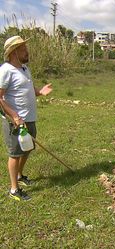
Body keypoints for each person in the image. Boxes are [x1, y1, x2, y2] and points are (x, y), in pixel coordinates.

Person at [0, 35, 53, 201]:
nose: (27, 51)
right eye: (23, 49)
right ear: (14, 52)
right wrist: (14, 116)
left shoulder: (24, 69)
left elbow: (26, 89)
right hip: (15, 122)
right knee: (15, 153)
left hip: (29, 118)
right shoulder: (6, 70)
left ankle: (20, 176)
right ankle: (14, 190)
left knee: (28, 147)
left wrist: (39, 91)